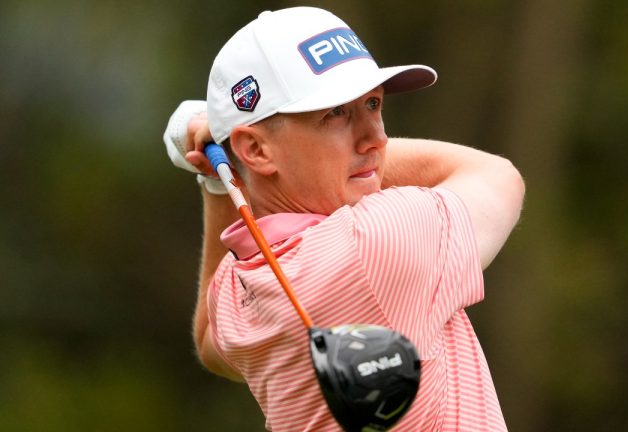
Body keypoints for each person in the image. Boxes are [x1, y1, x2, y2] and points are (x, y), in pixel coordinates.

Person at [163, 6, 524, 431]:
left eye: (373, 103)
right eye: (335, 113)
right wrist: (230, 156)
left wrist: (224, 179)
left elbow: (211, 344)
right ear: (257, 151)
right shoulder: (376, 240)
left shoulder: (240, 281)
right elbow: (497, 176)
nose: (378, 137)